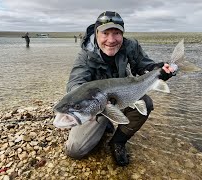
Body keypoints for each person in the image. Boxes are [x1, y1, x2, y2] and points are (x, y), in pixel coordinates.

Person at [64, 11, 175, 166]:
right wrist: (84, 104)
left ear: (123, 33)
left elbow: (145, 67)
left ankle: (118, 142)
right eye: (105, 33)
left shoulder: (131, 47)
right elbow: (74, 84)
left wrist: (160, 70)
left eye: (117, 33)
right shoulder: (85, 55)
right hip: (95, 105)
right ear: (96, 33)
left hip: (124, 97)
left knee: (146, 103)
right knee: (75, 150)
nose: (111, 39)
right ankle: (104, 124)